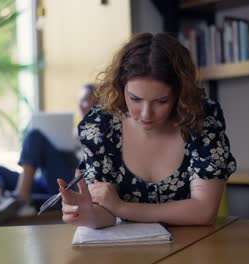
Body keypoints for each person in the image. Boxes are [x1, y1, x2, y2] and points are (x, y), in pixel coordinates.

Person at [58, 32, 237, 229]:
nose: (146, 114)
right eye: (135, 99)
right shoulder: (101, 126)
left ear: (180, 93)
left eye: (161, 101)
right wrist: (86, 213)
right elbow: (106, 213)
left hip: (193, 248)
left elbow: (204, 211)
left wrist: (123, 208)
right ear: (121, 86)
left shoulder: (201, 118)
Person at [0, 84, 97, 225]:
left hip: (69, 181)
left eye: (89, 100)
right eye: (81, 100)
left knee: (34, 136)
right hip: (45, 181)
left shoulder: (102, 132)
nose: (84, 104)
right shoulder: (71, 131)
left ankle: (21, 196)